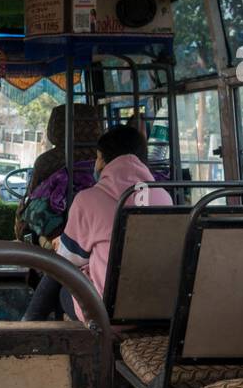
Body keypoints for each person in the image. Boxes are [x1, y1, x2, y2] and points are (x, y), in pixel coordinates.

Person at [54, 125, 172, 321]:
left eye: (97, 158)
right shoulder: (164, 197)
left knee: (60, 285)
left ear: (101, 159)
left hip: (106, 314)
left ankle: (33, 325)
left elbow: (68, 262)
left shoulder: (88, 199)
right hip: (159, 310)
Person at [19, 104, 102, 320]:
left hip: (60, 237)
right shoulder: (107, 162)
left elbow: (33, 205)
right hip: (98, 244)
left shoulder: (48, 162)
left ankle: (33, 318)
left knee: (47, 249)